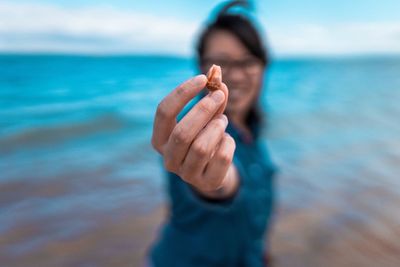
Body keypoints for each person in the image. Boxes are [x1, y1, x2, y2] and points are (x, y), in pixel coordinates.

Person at [148, 1, 276, 266]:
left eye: (248, 61)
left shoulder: (252, 129)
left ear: (263, 66)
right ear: (202, 68)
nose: (237, 75)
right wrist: (213, 182)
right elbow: (221, 178)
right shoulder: (188, 132)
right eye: (222, 62)